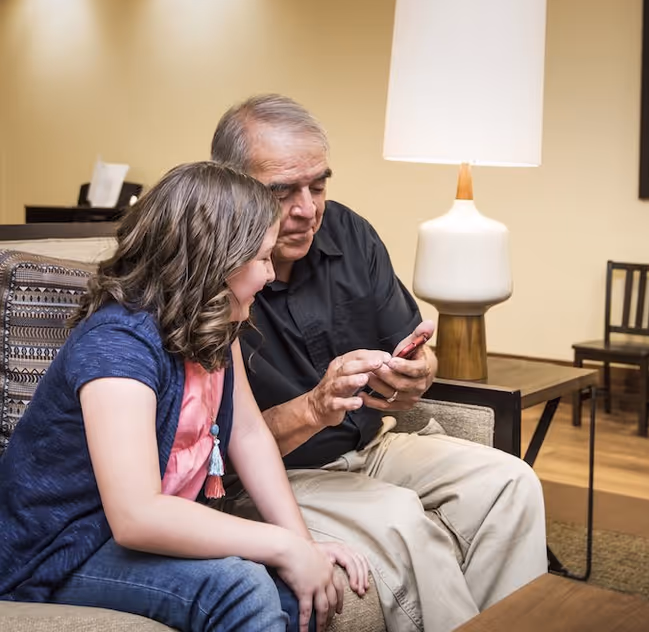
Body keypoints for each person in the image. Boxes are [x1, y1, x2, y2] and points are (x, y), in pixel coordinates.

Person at [210, 94, 548, 632]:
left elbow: (410, 346)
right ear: (229, 187)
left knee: (510, 481)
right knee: (401, 520)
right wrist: (314, 408)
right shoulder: (215, 273)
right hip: (282, 473)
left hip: (373, 445)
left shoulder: (348, 232)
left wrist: (418, 372)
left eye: (318, 185)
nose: (307, 209)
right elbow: (225, 449)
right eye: (282, 192)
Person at [0, 161, 370, 632]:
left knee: (301, 590)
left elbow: (249, 434)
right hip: (61, 548)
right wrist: (282, 545)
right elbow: (136, 516)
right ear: (213, 263)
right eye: (260, 258)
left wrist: (302, 544)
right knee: (241, 588)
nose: (271, 274)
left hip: (124, 536)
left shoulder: (218, 320)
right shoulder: (117, 345)